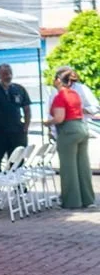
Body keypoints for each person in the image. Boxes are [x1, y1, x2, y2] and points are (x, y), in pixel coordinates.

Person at [49, 66, 95, 210]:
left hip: (67, 130)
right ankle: (88, 199)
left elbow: (59, 118)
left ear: (58, 80)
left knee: (68, 168)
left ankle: (71, 201)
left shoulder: (60, 96)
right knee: (83, 166)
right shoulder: (75, 94)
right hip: (81, 127)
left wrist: (48, 123)